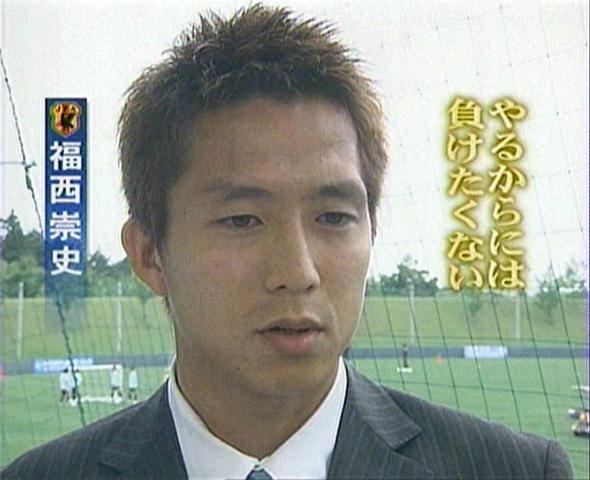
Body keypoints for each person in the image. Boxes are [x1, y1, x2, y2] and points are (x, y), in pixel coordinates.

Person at [1, 5, 573, 479]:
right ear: (150, 253)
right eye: (242, 220)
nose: (298, 272)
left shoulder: (514, 470)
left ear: (372, 229)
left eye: (333, 217)